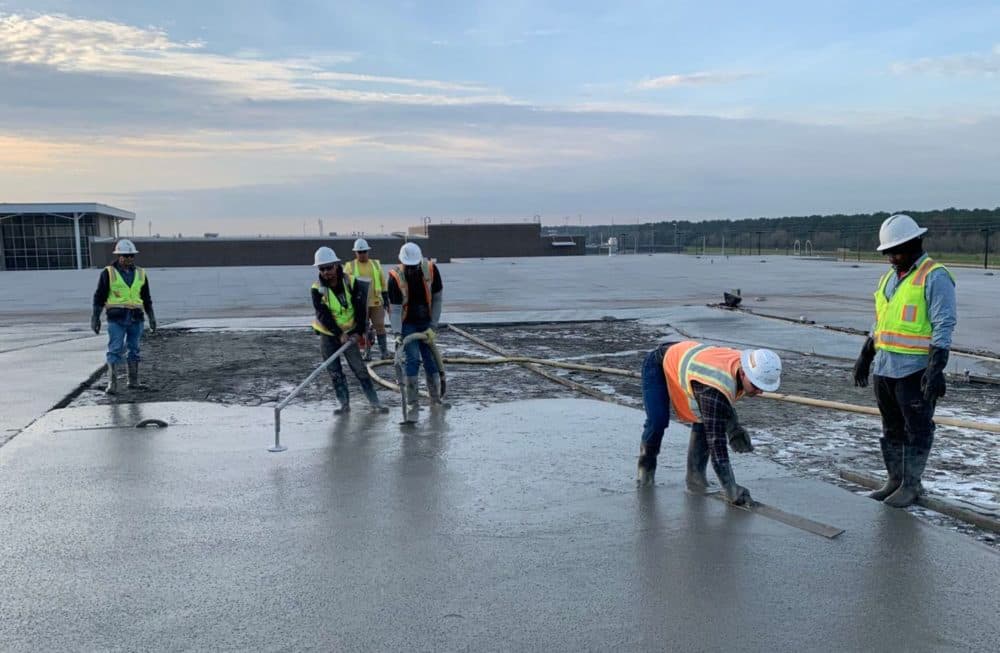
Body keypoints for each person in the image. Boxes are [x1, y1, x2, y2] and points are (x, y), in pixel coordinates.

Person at [852, 214, 956, 508]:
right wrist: (865, 355)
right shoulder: (888, 278)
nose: (892, 258)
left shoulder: (935, 276)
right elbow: (882, 322)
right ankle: (894, 480)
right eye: (889, 253)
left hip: (915, 371)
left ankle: (912, 485)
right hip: (885, 369)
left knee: (918, 428)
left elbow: (944, 324)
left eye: (897, 251)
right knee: (891, 427)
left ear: (916, 243)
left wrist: (936, 370)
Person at [636, 340, 782, 505]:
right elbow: (716, 443)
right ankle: (645, 470)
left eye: (763, 388)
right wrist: (731, 489)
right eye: (756, 386)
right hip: (659, 364)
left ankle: (696, 478)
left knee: (707, 416)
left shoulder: (744, 364)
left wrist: (734, 428)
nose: (760, 392)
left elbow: (721, 401)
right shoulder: (713, 386)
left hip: (689, 363)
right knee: (658, 420)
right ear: (743, 373)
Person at [310, 246, 388, 415]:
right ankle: (344, 405)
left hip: (351, 333)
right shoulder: (317, 289)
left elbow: (361, 310)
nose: (326, 272)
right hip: (329, 334)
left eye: (328, 268)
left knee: (359, 369)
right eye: (322, 269)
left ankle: (375, 403)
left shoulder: (351, 282)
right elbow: (323, 315)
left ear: (336, 265)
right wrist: (339, 334)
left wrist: (357, 332)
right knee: (335, 372)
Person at [91, 239, 157, 394]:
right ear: (118, 256)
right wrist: (95, 317)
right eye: (125, 256)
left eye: (131, 256)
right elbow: (99, 296)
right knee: (115, 349)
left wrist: (152, 317)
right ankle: (112, 384)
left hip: (136, 318)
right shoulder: (108, 273)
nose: (128, 258)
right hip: (117, 318)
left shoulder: (141, 273)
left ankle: (133, 381)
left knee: (134, 349)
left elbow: (146, 297)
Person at [387, 242, 445, 411]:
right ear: (402, 263)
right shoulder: (395, 277)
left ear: (420, 262)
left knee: (431, 360)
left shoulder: (432, 271)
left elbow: (438, 300)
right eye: (408, 266)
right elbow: (395, 309)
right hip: (407, 323)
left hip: (426, 321)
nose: (411, 270)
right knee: (412, 360)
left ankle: (436, 399)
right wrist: (397, 333)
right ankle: (412, 403)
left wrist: (433, 326)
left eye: (414, 266)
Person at [343, 238, 391, 361]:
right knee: (364, 328)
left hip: (375, 302)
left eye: (364, 251)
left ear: (368, 251)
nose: (362, 254)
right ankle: (367, 353)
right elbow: (345, 285)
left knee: (379, 326)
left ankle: (384, 352)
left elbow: (382, 281)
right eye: (360, 252)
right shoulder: (350, 266)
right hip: (360, 304)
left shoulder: (375, 264)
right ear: (356, 253)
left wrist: (386, 298)